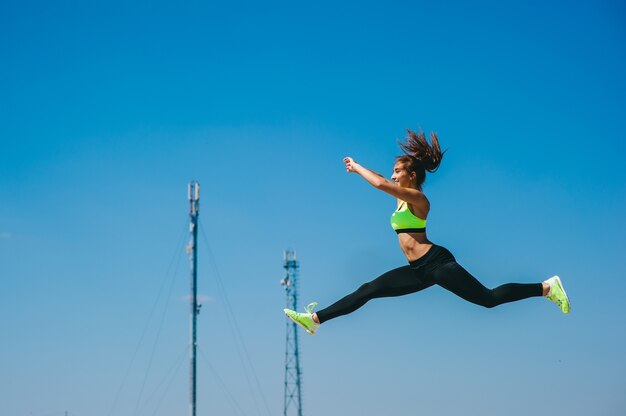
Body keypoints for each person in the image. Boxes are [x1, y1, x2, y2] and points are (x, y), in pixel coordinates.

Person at [284, 129, 570, 335]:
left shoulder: (419, 200)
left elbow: (382, 184)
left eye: (398, 170)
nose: (394, 174)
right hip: (417, 269)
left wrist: (357, 167)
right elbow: (387, 184)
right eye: (394, 170)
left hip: (436, 263)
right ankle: (315, 320)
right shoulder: (401, 198)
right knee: (368, 290)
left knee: (488, 298)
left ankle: (546, 287)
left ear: (411, 175)